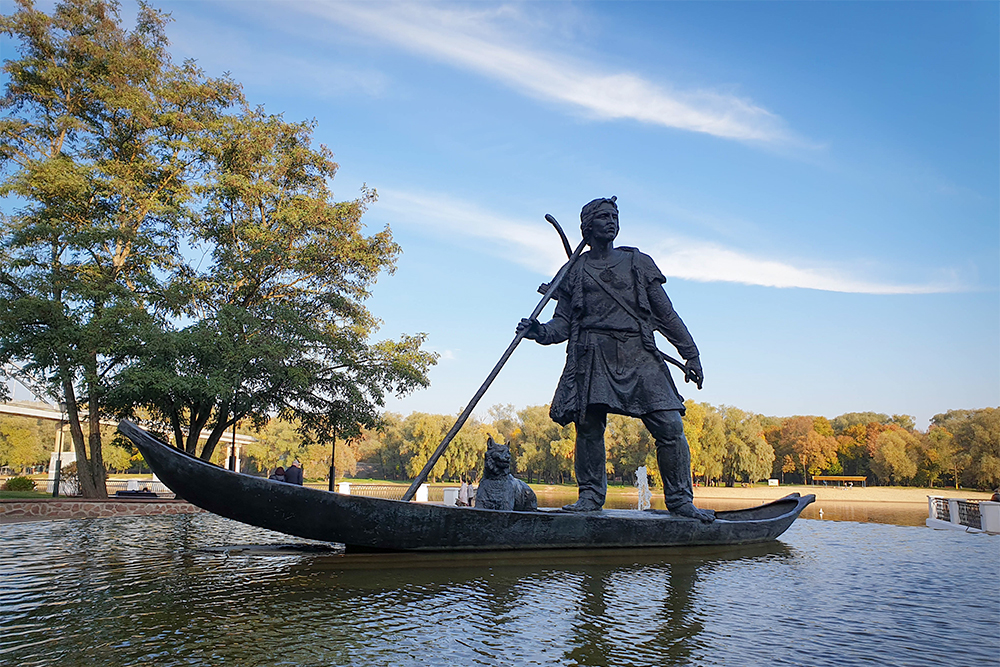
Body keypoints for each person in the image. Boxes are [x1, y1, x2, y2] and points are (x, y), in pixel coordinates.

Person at [517, 196, 714, 522]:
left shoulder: (637, 263)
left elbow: (666, 315)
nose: (612, 221)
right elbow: (563, 323)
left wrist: (691, 354)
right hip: (592, 354)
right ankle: (590, 498)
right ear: (588, 226)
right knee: (589, 427)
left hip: (638, 353)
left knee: (669, 425)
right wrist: (539, 331)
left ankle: (681, 502)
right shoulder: (574, 271)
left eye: (614, 216)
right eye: (604, 217)